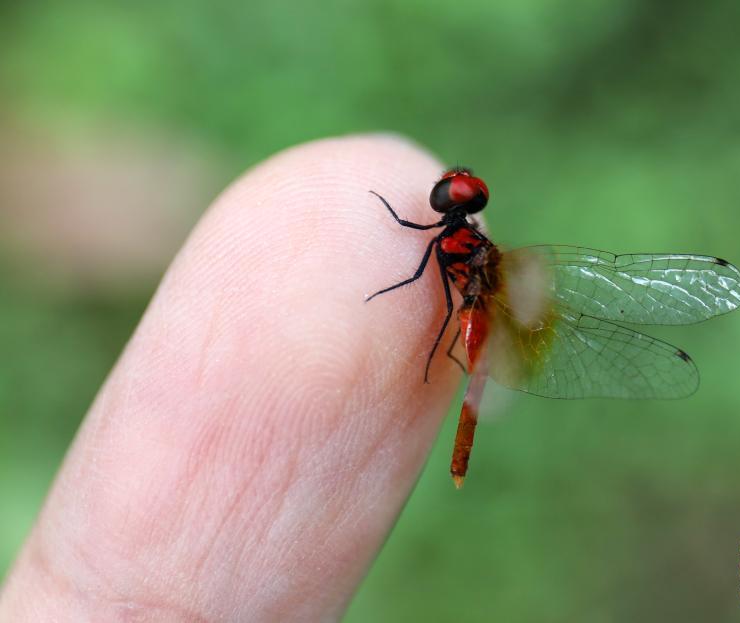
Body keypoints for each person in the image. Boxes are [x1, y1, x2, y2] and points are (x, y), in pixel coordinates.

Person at [0, 135, 461, 621]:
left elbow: (414, 276)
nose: (451, 190)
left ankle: (449, 362)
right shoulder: (458, 239)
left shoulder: (457, 242)